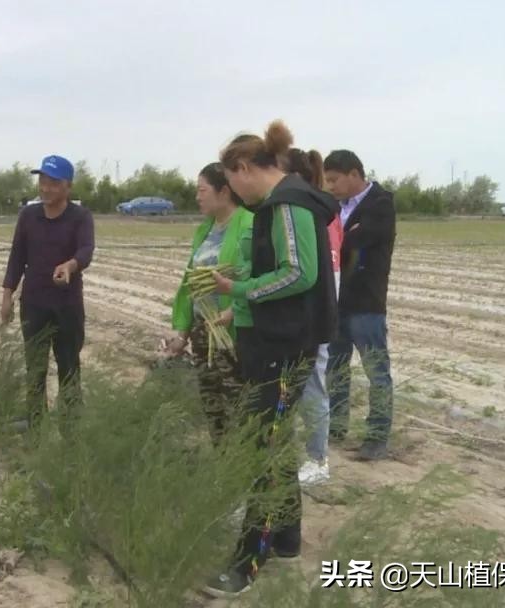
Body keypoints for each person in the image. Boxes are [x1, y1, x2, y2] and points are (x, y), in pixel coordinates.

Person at [204, 120, 339, 598]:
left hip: (285, 345)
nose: (233, 193)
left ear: (244, 169)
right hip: (277, 340)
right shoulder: (281, 203)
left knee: (262, 447)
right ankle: (285, 538)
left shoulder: (287, 204)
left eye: (230, 181)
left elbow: (299, 273)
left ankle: (249, 561)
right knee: (274, 443)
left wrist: (241, 289)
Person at [2, 155, 94, 426]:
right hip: (34, 304)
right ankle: (36, 429)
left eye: (53, 183)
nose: (45, 188)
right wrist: (7, 296)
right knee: (35, 370)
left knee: (69, 368)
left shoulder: (80, 217)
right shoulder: (28, 216)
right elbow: (17, 257)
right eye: (42, 181)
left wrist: (70, 265)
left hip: (67, 307)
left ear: (68, 186)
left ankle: (70, 429)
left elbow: (86, 250)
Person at [164, 162, 253, 444]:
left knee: (237, 403)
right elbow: (190, 284)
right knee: (212, 403)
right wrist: (183, 333)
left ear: (224, 191)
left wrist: (234, 310)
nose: (197, 197)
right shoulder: (205, 230)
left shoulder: (249, 224)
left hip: (232, 331)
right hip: (204, 330)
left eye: (202, 190)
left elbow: (256, 278)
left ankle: (242, 461)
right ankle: (222, 458)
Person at [323, 150, 397, 461]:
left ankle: (377, 438)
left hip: (366, 303)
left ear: (354, 174)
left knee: (377, 372)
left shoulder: (380, 205)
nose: (330, 186)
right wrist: (343, 239)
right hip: (336, 302)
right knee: (335, 370)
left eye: (334, 180)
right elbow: (333, 244)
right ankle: (335, 428)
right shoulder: (333, 207)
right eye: (327, 181)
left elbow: (351, 243)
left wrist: (341, 240)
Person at [283, 148, 343, 485]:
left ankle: (318, 460)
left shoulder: (310, 211)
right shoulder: (317, 206)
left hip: (315, 307)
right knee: (303, 383)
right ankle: (308, 455)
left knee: (313, 382)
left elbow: (325, 269)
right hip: (316, 304)